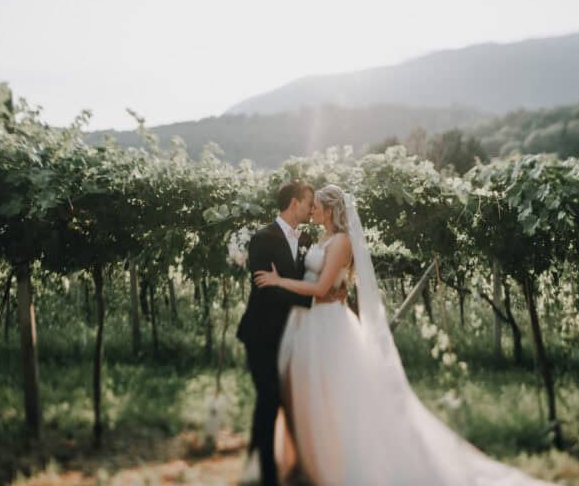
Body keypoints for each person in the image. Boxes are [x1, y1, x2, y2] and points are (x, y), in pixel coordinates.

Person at [255, 185, 552, 485]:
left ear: (330, 209)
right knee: (312, 395)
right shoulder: (321, 238)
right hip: (307, 326)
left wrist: (279, 283)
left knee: (338, 396)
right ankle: (313, 462)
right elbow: (319, 281)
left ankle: (343, 465)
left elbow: (321, 289)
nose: (312, 209)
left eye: (317, 205)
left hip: (329, 326)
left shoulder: (342, 241)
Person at [236, 180, 314, 486]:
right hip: (261, 333)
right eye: (308, 202)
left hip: (294, 334)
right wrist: (311, 298)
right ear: (294, 202)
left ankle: (256, 461)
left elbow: (301, 279)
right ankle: (268, 476)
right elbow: (264, 288)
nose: (311, 208)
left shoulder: (307, 238)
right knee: (269, 397)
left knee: (271, 400)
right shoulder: (262, 238)